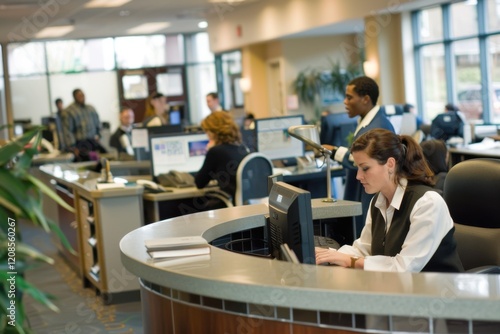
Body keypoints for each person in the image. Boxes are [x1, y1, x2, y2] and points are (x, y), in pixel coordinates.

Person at [316, 128, 463, 273]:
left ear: (390, 164)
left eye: (365, 168)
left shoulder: (427, 203)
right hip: (399, 290)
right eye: (357, 168)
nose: (358, 176)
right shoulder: (378, 201)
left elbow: (403, 268)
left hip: (435, 291)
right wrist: (326, 255)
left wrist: (350, 261)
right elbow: (364, 248)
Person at [323, 76, 395, 237]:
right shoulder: (368, 122)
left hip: (371, 194)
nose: (345, 102)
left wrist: (334, 151)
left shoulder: (377, 127)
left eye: (349, 97)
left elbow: (358, 161)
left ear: (365, 99)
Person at [195, 112, 249, 206]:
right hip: (247, 205)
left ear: (213, 132)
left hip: (229, 206)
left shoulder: (216, 151)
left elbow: (199, 183)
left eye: (207, 132)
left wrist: (209, 150)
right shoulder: (243, 148)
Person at [61, 88, 106, 161]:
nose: (82, 97)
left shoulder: (91, 108)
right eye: (79, 95)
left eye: (83, 95)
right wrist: (73, 147)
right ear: (74, 97)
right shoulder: (69, 111)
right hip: (80, 144)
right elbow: (67, 131)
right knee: (87, 159)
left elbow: (98, 124)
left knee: (105, 157)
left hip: (93, 141)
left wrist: (99, 136)